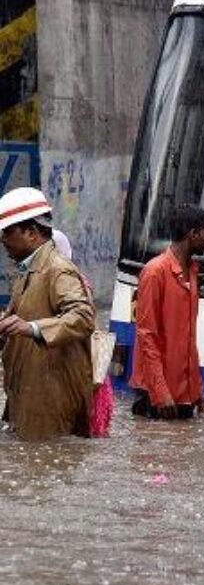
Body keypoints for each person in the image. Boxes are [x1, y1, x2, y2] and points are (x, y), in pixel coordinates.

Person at [0, 186, 95, 441]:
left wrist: (31, 328)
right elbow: (16, 321)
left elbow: (83, 316)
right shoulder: (27, 271)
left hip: (51, 403)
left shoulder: (58, 269)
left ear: (32, 233)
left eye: (8, 232)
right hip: (28, 396)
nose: (3, 240)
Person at [129, 204, 204, 419]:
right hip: (156, 395)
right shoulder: (155, 272)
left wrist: (198, 389)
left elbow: (188, 339)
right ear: (192, 234)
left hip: (184, 393)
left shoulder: (193, 272)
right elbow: (147, 336)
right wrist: (161, 392)